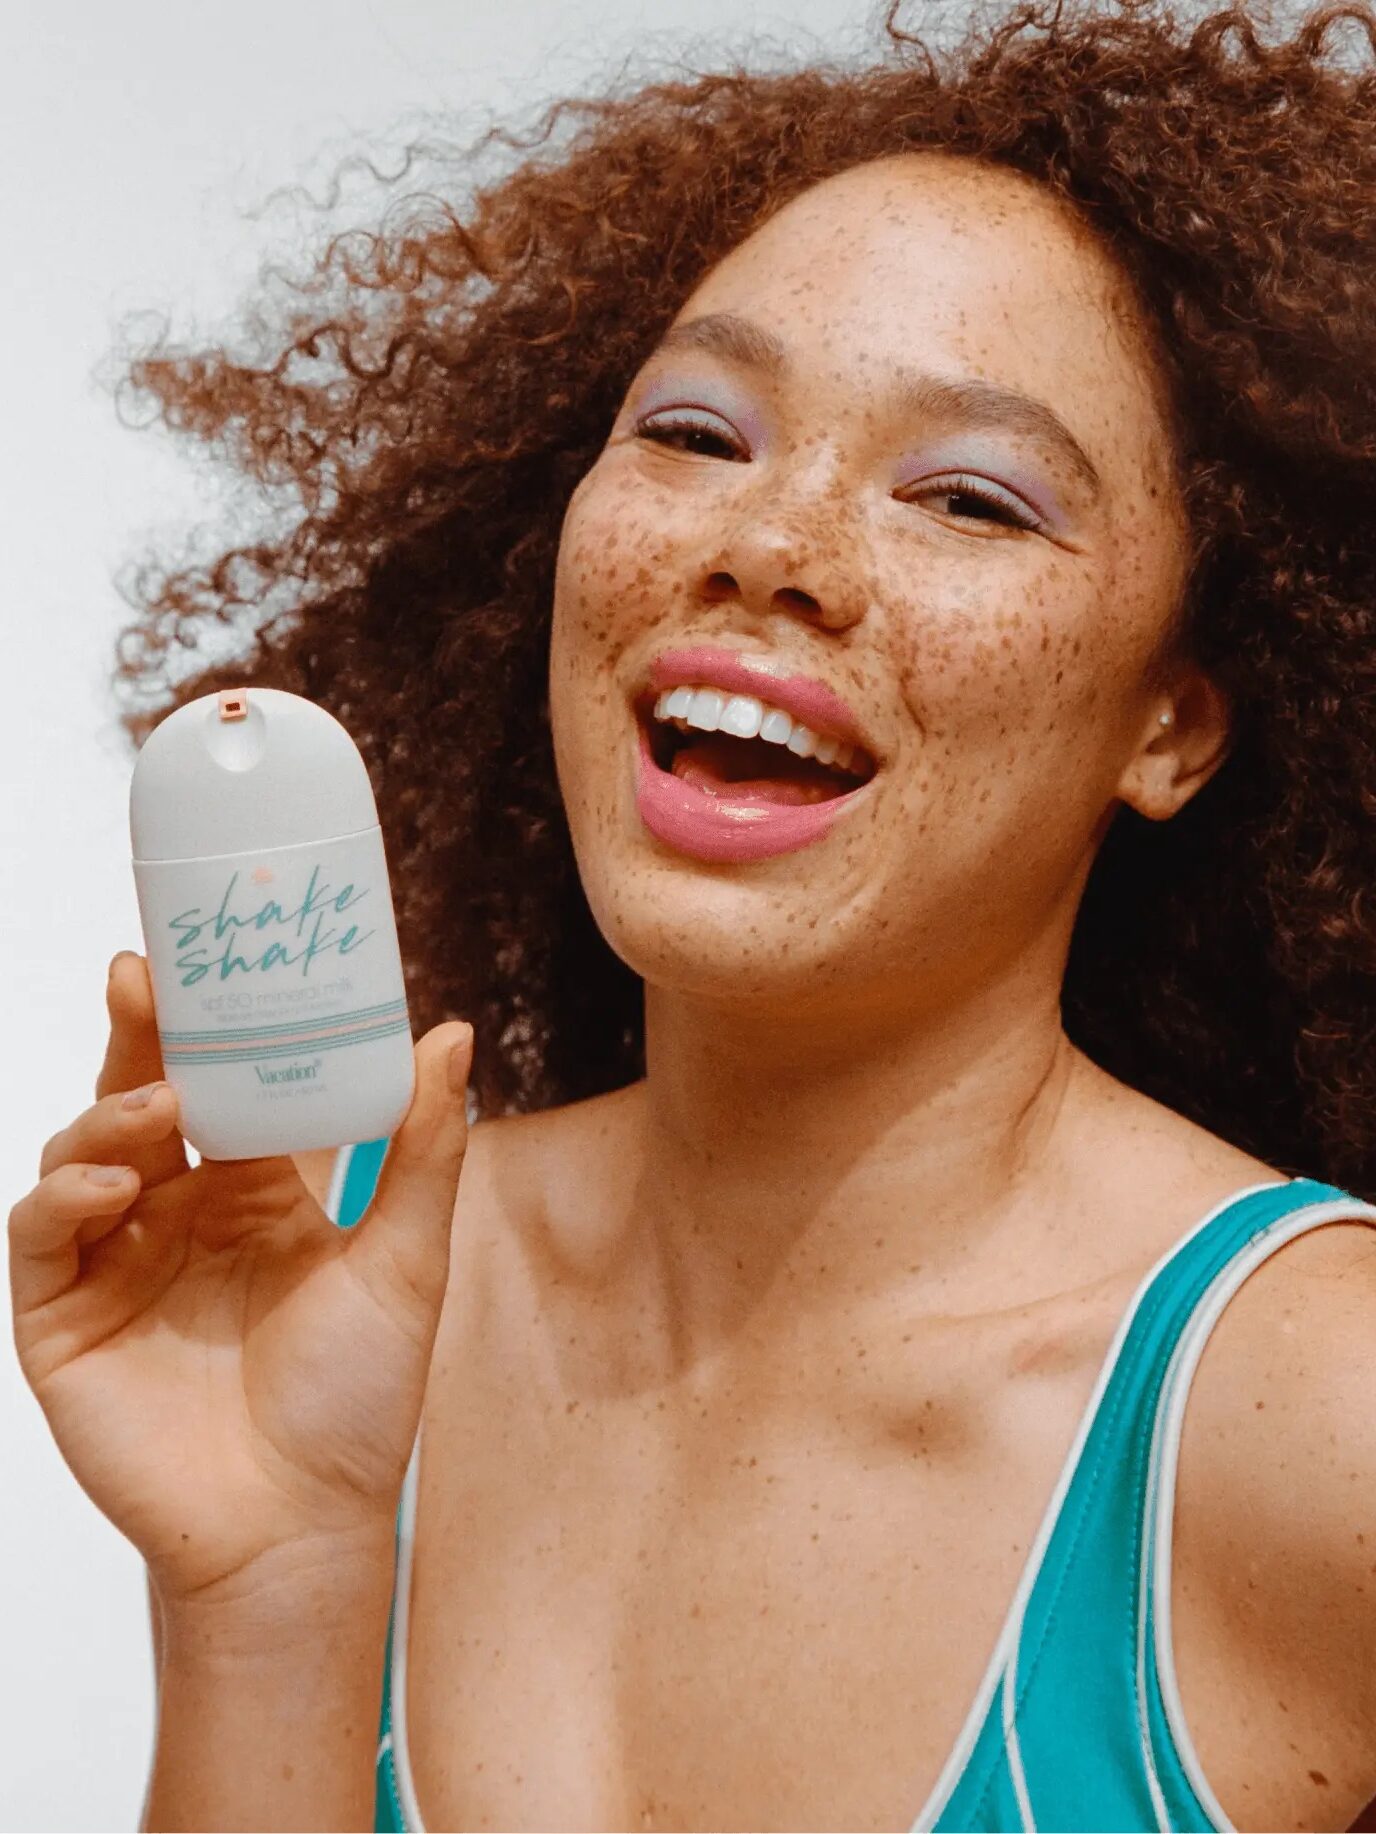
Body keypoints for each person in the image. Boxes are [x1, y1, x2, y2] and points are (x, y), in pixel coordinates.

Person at [10, 0, 1376, 1827]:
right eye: (697, 431)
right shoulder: (329, 1284)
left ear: (1172, 724)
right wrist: (266, 1589)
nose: (772, 542)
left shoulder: (1313, 1415)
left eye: (968, 496)